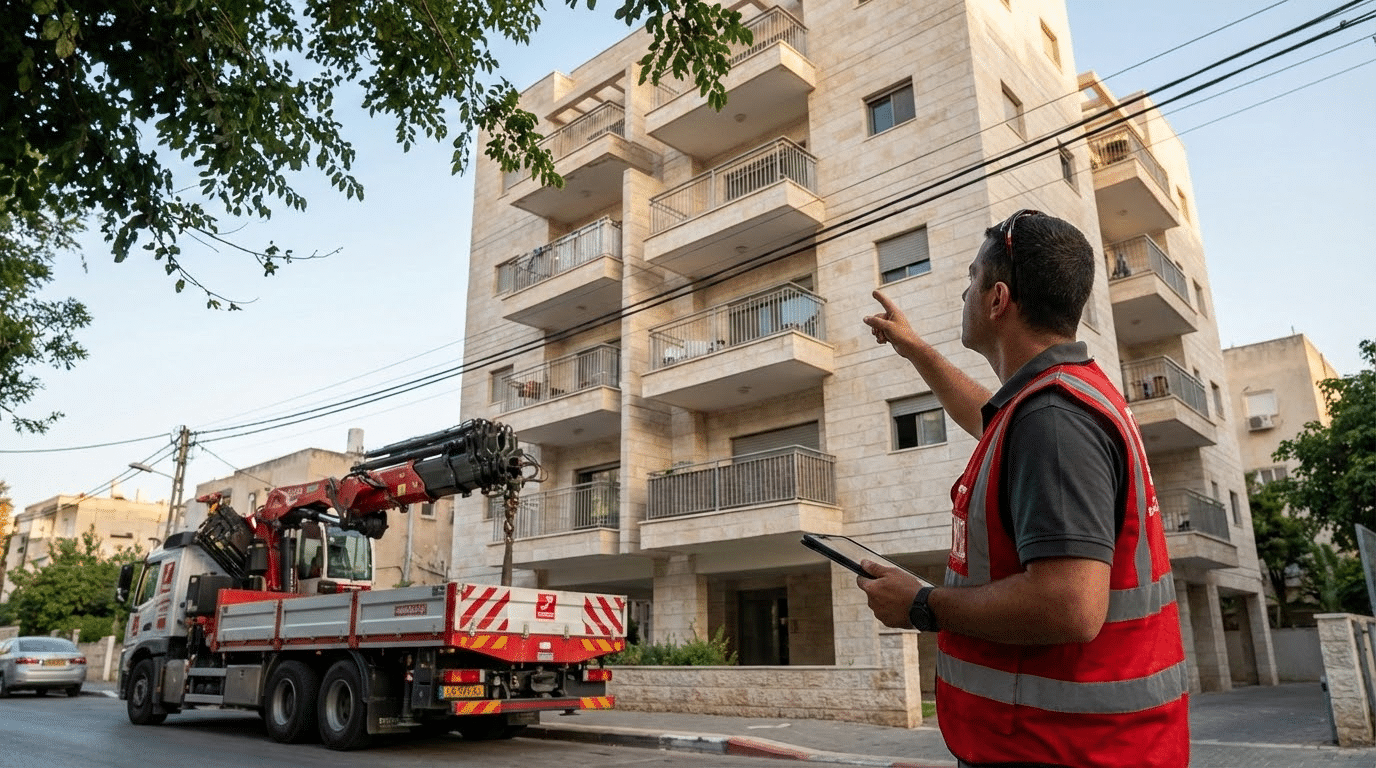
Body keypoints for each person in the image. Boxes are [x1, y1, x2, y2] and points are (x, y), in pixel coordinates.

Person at [858, 210, 1189, 768]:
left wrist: (920, 605)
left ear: (998, 300)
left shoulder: (1053, 419)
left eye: (971, 279)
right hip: (1077, 747)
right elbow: (987, 415)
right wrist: (916, 349)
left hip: (1068, 751)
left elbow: (1070, 607)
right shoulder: (1050, 400)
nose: (964, 292)